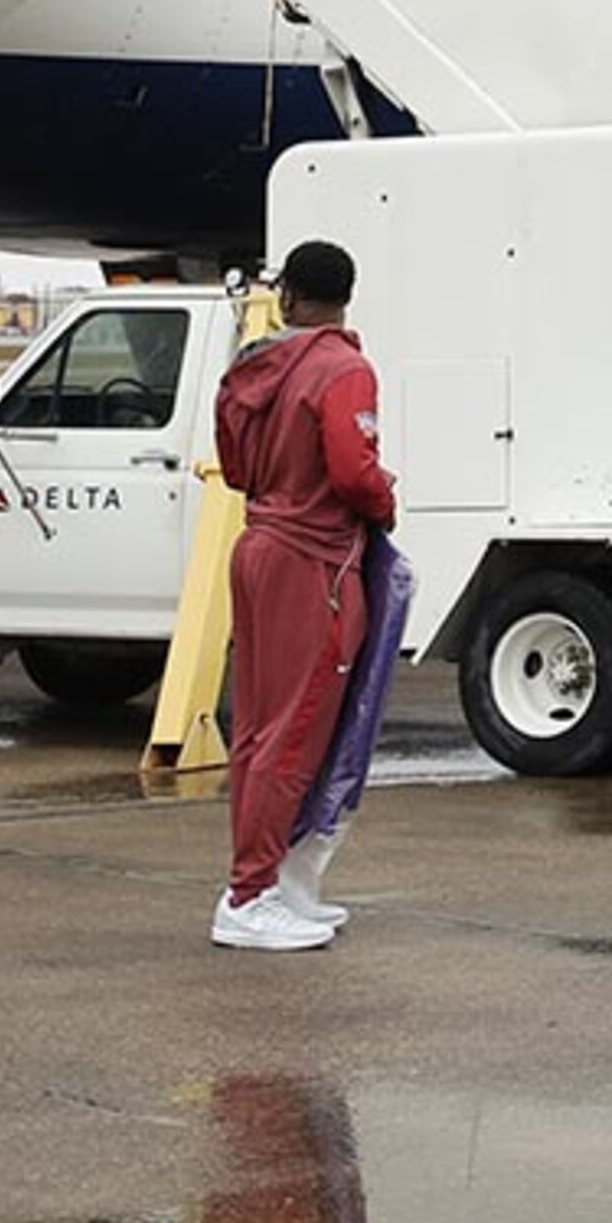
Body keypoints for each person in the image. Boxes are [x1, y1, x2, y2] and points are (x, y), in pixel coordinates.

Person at [210, 241, 398, 951]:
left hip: (259, 545)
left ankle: (267, 884)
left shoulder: (252, 367)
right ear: (346, 296)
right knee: (296, 732)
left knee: (258, 730)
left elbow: (235, 468)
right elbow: (353, 471)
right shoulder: (343, 369)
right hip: (314, 561)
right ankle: (251, 894)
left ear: (287, 294)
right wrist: (385, 500)